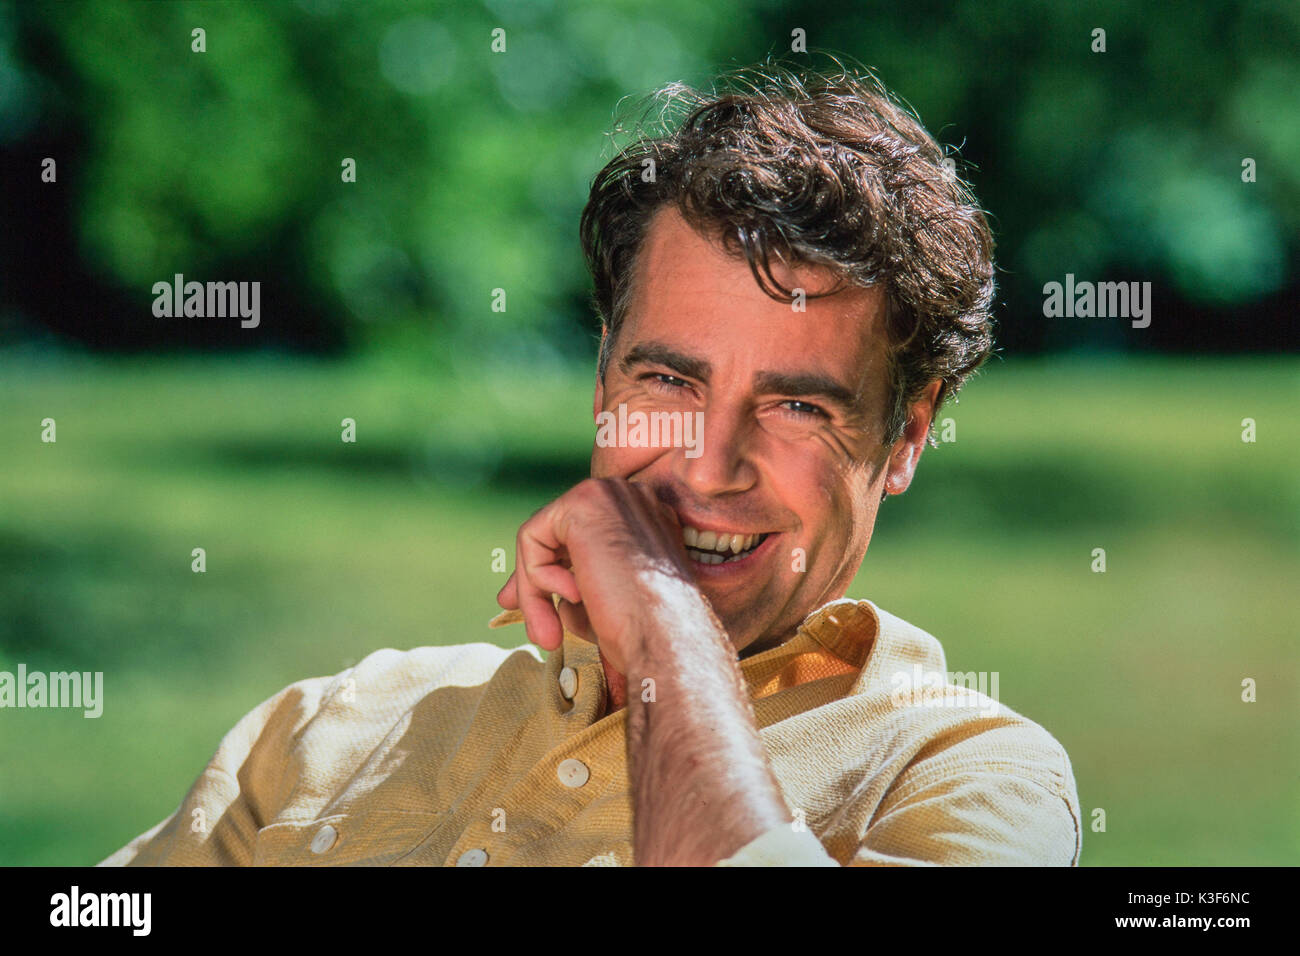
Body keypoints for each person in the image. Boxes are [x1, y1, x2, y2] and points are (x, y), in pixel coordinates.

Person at [100, 62, 1080, 867]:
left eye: (795, 404)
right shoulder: (336, 721)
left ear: (905, 437)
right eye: (668, 379)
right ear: (604, 371)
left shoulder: (966, 776)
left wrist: (660, 633)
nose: (708, 465)